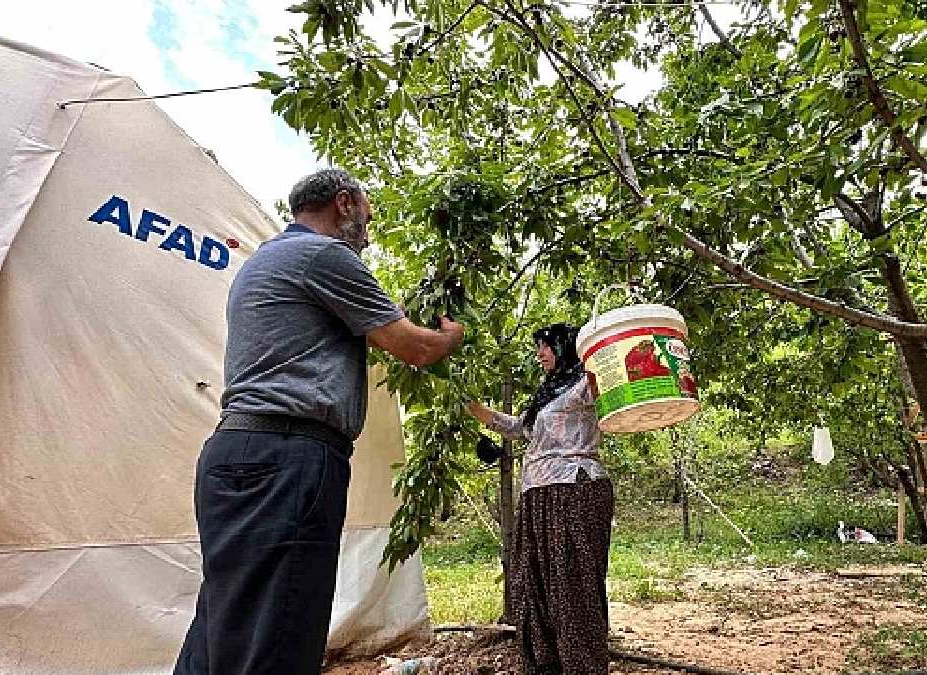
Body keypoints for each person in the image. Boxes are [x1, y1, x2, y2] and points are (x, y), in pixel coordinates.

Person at [175, 169, 464, 675]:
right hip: (290, 457)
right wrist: (450, 337)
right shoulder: (325, 255)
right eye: (368, 216)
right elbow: (414, 347)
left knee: (226, 623)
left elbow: (360, 322)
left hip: (236, 450)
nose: (369, 235)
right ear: (345, 204)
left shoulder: (263, 261)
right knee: (282, 631)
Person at [468, 323, 614, 675]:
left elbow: (618, 390)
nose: (539, 354)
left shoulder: (585, 383)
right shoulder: (548, 392)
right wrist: (470, 406)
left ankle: (583, 664)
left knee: (572, 581)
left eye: (545, 346)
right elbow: (517, 428)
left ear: (564, 347)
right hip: (538, 494)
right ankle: (547, 662)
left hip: (574, 488)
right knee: (536, 580)